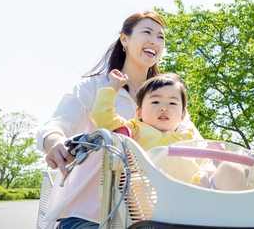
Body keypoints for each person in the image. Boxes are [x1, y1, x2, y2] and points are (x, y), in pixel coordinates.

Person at [37, 11, 201, 229]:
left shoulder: (167, 98)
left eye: (161, 37)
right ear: (124, 39)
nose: (155, 40)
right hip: (91, 212)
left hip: (151, 214)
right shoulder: (94, 86)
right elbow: (56, 125)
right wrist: (54, 141)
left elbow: (195, 144)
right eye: (147, 32)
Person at [89, 70, 245, 190]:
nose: (164, 107)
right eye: (155, 101)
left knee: (232, 167)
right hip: (151, 204)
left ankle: (235, 222)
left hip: (192, 198)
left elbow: (206, 162)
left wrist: (205, 173)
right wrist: (114, 85)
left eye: (172, 103)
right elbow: (101, 115)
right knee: (135, 181)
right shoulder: (133, 130)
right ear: (139, 112)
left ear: (183, 115)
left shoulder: (190, 139)